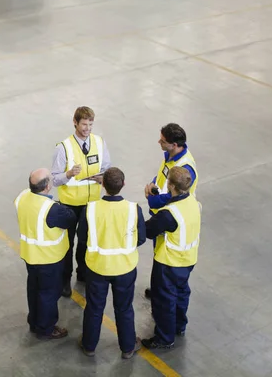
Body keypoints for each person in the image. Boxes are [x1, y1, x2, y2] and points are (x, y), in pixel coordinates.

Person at [75, 167, 146, 358]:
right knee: (124, 308)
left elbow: (82, 238)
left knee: (94, 307)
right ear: (123, 185)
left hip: (97, 267)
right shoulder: (134, 209)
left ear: (103, 184)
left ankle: (89, 345)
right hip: (125, 268)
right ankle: (128, 347)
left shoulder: (90, 209)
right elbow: (141, 239)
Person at [51, 106, 111, 297]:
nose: (87, 128)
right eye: (84, 124)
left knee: (86, 242)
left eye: (90, 124)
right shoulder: (64, 147)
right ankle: (64, 280)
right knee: (67, 245)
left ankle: (83, 274)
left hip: (91, 204)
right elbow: (54, 179)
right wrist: (68, 174)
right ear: (75, 122)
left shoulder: (99, 143)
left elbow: (107, 167)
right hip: (69, 205)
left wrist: (102, 177)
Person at [142, 167, 202, 350]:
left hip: (169, 263)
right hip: (188, 259)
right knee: (182, 293)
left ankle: (164, 338)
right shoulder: (194, 203)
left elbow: (149, 230)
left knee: (163, 300)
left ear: (171, 185)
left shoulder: (169, 214)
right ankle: (179, 326)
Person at [14, 168, 77, 340]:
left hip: (30, 256)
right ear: (48, 186)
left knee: (34, 289)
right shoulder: (52, 210)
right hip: (49, 259)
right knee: (49, 293)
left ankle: (34, 321)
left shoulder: (22, 197)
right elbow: (70, 219)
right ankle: (46, 328)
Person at [143, 123, 198, 299]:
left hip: (172, 218)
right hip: (162, 214)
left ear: (174, 145)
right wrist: (153, 185)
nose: (159, 142)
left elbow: (170, 197)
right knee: (158, 252)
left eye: (163, 141)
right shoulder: (169, 156)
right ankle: (157, 287)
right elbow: (161, 176)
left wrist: (151, 198)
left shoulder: (185, 166)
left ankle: (163, 292)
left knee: (166, 259)